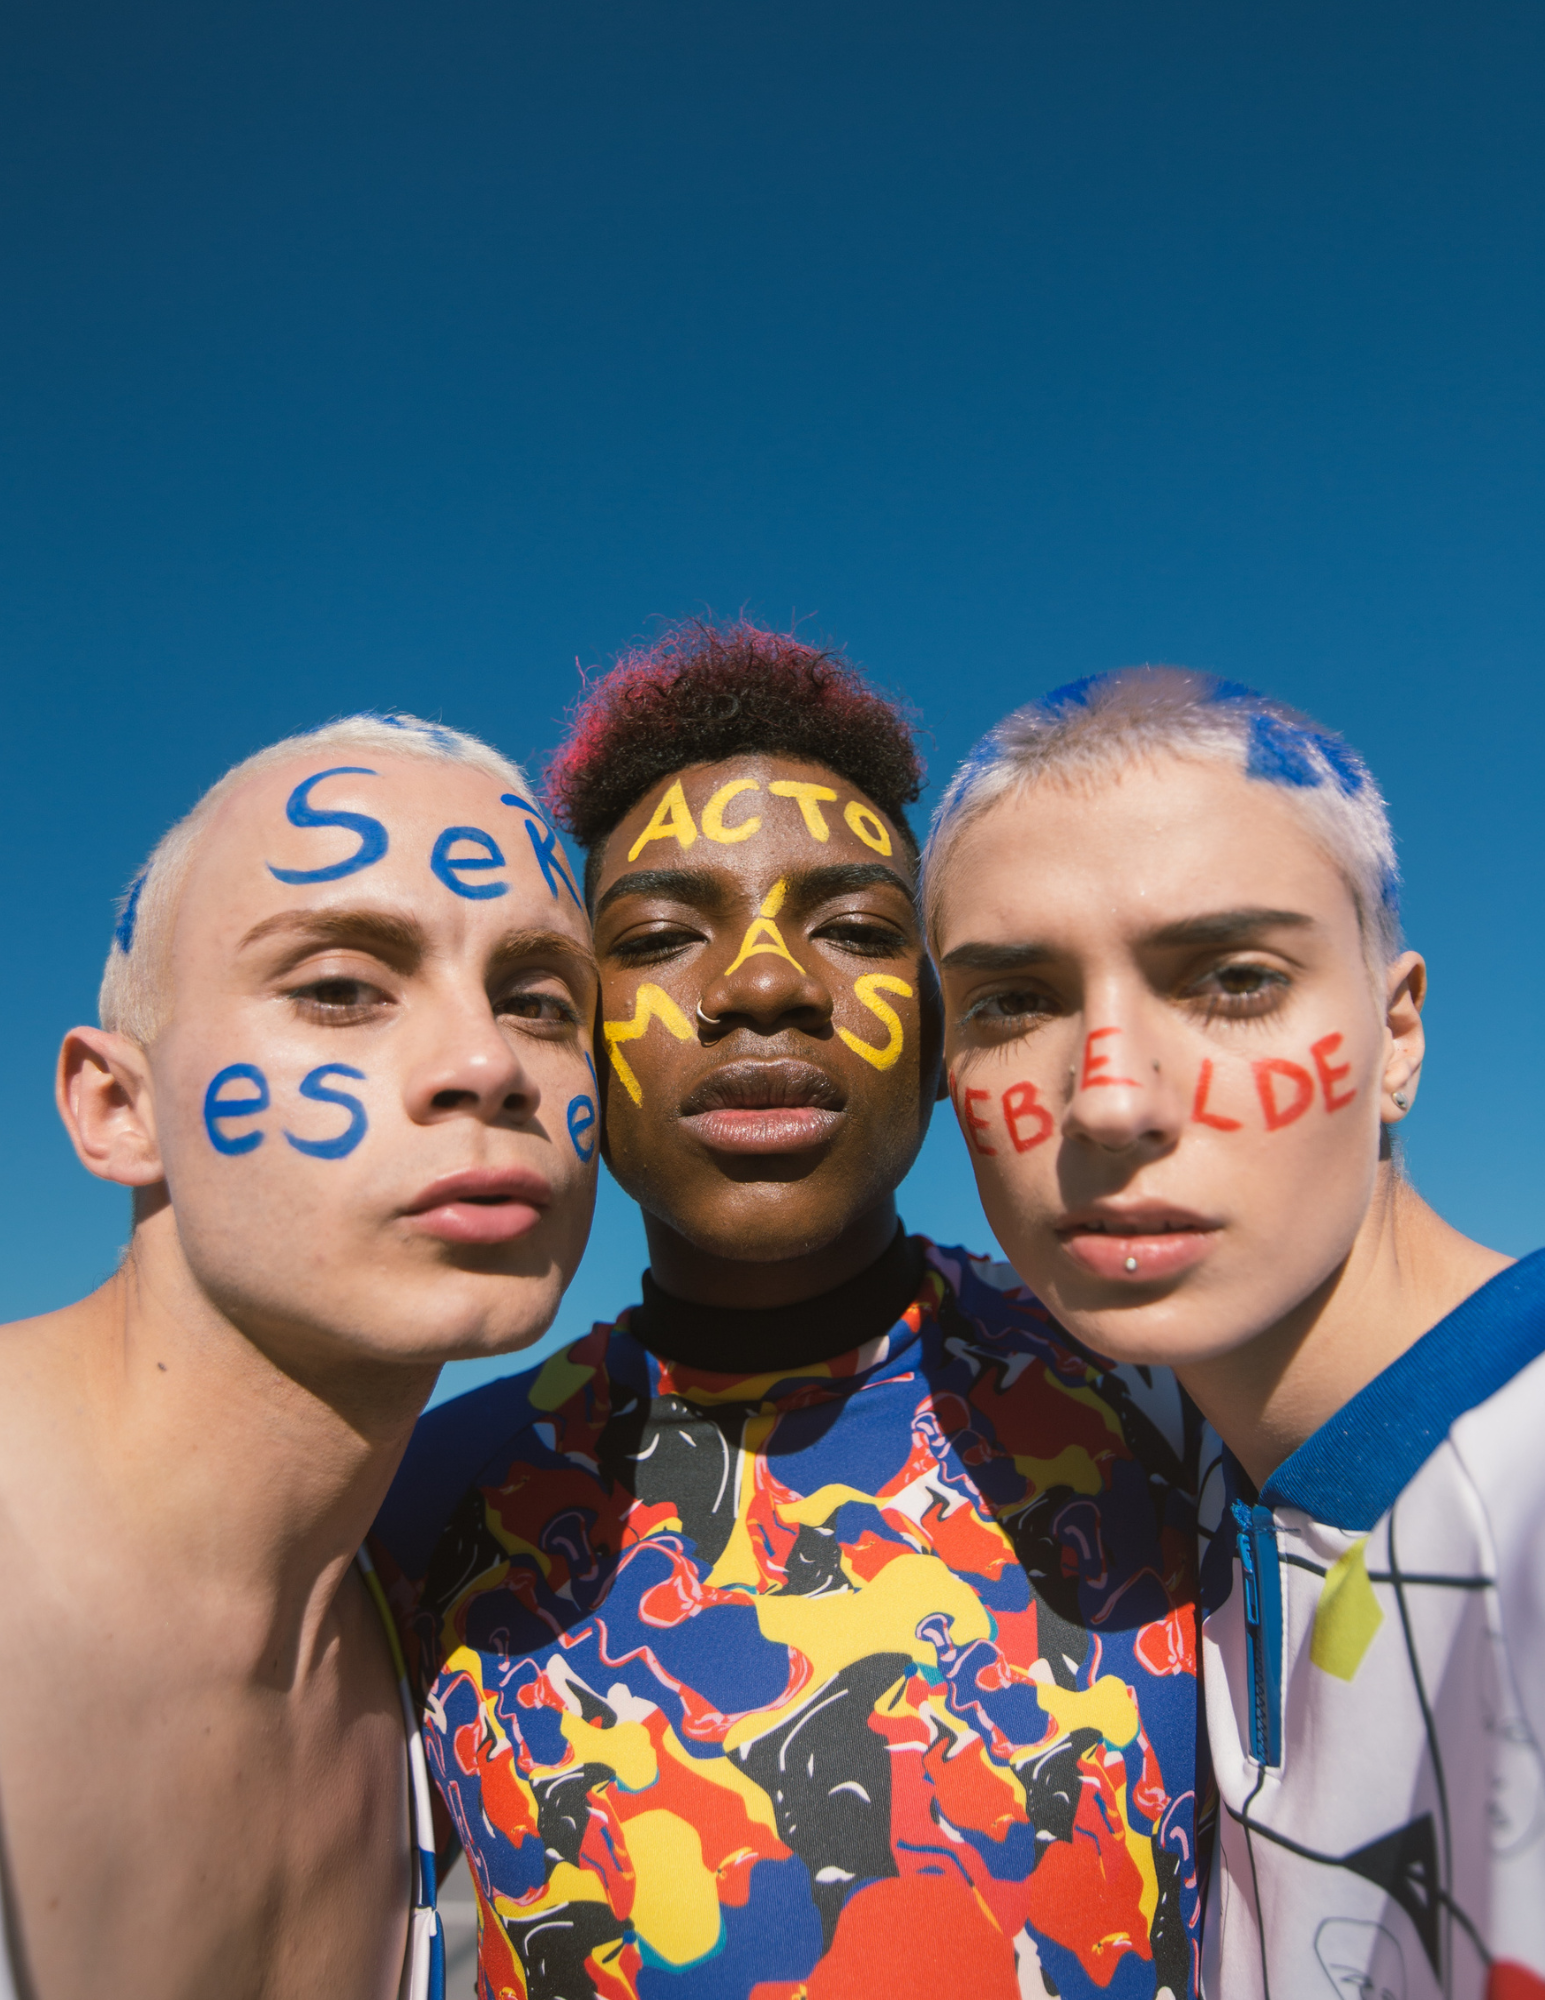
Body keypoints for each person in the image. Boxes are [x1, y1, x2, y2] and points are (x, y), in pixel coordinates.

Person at [372, 624, 1205, 2000]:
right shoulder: (423, 1514)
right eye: (657, 936)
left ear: (941, 1034)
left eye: (859, 929)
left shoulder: (1173, 1408)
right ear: (563, 1036)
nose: (764, 981)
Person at [924, 666, 1545, 2000]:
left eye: (1233, 979)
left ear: (1395, 1034)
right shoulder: (1144, 1449)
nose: (1108, 1100)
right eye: (1012, 1000)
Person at [0, 713, 599, 2000]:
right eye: (340, 987)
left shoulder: (443, 1649)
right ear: (118, 1107)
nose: (489, 1061)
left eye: (541, 1000)